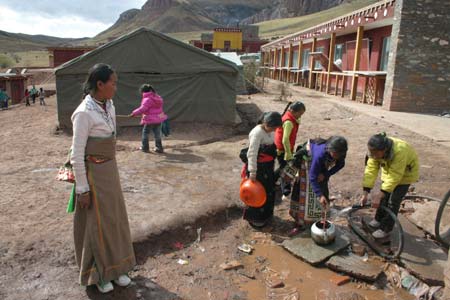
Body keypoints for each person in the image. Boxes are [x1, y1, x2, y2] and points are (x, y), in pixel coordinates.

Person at [70, 63, 136, 293]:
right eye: (113, 83)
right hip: (93, 176)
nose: (116, 87)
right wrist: (83, 189)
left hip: (110, 171)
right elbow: (76, 155)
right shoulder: (83, 113)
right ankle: (98, 274)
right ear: (100, 84)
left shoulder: (108, 105)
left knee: (113, 220)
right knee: (96, 224)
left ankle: (117, 269)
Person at [359, 133, 419, 239]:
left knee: (393, 202)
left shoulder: (400, 151)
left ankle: (385, 229)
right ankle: (378, 219)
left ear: (385, 149)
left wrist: (380, 194)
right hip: (389, 172)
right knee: (384, 198)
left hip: (405, 175)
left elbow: (395, 175)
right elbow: (371, 170)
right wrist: (365, 191)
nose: (374, 156)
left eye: (376, 154)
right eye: (372, 153)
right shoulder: (375, 151)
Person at [289, 136, 348, 231]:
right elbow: (312, 176)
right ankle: (299, 222)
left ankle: (317, 220)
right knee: (305, 190)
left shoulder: (340, 152)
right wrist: (320, 195)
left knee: (322, 185)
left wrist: (326, 174)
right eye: (335, 154)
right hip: (307, 159)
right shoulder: (319, 154)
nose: (337, 156)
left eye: (339, 155)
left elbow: (341, 164)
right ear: (329, 149)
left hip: (323, 163)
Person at [242, 112, 282, 228]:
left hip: (267, 168)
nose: (274, 130)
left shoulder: (269, 131)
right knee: (256, 194)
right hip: (258, 170)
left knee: (268, 192)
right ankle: (255, 219)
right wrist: (252, 172)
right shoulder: (257, 133)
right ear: (265, 123)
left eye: (276, 128)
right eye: (273, 127)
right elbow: (252, 154)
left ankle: (266, 216)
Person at [274, 101, 306, 201]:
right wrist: (288, 152)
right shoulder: (288, 122)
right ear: (293, 111)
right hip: (283, 149)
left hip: (283, 148)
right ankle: (285, 191)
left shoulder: (289, 117)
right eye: (300, 114)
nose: (300, 116)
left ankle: (273, 181)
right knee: (286, 169)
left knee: (283, 167)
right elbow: (285, 139)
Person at [129, 84, 167, 153]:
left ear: (143, 91)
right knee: (157, 134)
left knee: (145, 133)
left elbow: (142, 109)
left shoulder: (147, 99)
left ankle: (145, 148)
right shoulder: (158, 97)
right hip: (159, 119)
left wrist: (134, 113)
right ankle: (159, 148)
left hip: (150, 120)